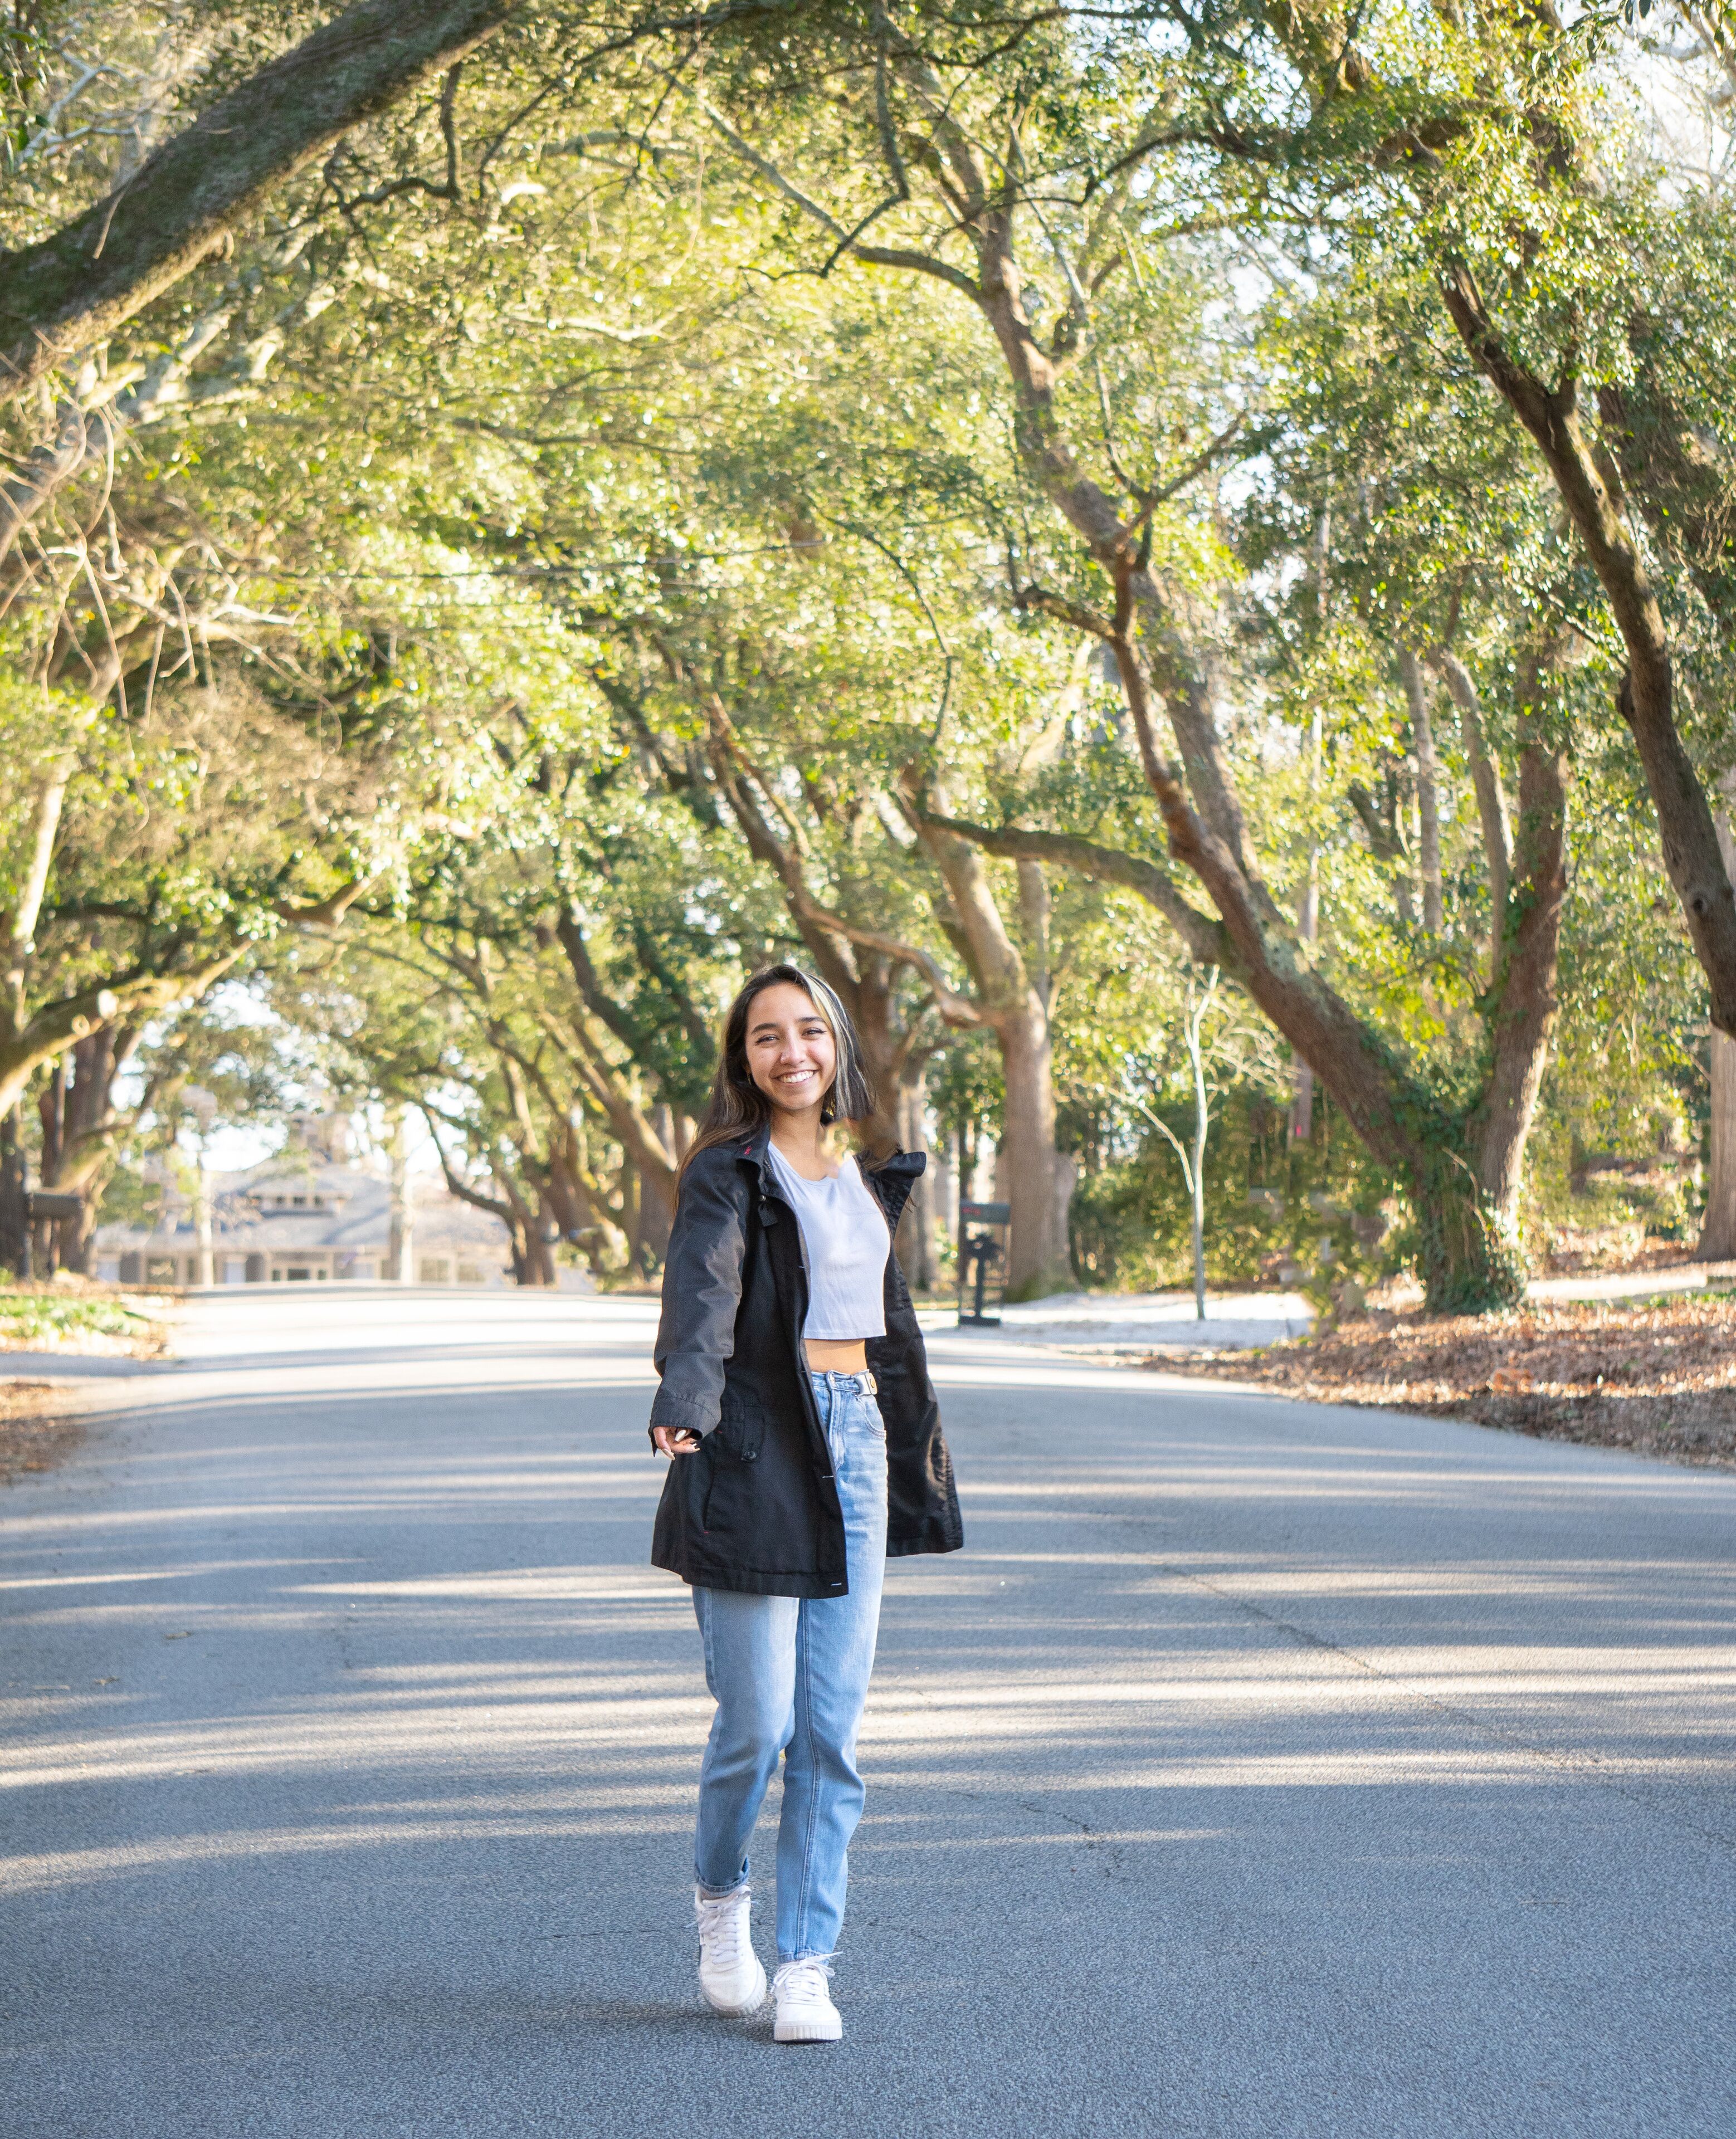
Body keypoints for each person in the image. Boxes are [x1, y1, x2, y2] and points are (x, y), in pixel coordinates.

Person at [648, 962, 962, 2044]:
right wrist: (684, 1398)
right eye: (767, 1037)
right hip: (750, 1444)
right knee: (757, 1723)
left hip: (856, 1438)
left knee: (830, 1734)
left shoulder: (866, 1168)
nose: (792, 1054)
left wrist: (907, 1442)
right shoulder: (727, 1172)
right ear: (743, 1059)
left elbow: (885, 1321)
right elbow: (703, 1289)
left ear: (837, 1046)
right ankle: (721, 1905)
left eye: (810, 1032)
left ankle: (806, 1967)